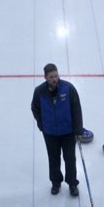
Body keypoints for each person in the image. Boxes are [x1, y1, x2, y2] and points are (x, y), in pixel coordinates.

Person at [31, 63, 83, 196]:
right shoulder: (39, 92)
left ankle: (72, 183)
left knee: (70, 158)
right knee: (53, 158)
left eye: (56, 76)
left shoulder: (68, 88)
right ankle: (55, 182)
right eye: (51, 77)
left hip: (68, 132)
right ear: (45, 77)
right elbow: (35, 108)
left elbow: (76, 109)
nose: (55, 79)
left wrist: (78, 130)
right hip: (50, 133)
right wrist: (41, 124)